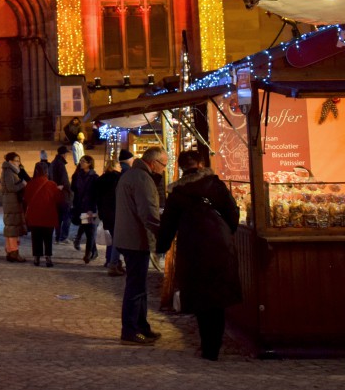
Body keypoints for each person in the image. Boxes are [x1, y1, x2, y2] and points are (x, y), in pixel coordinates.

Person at [157, 149, 241, 360]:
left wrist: (161, 246)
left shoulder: (177, 193)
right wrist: (226, 233)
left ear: (181, 168)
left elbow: (168, 224)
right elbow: (233, 212)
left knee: (201, 299)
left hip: (193, 249)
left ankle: (207, 347)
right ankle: (215, 346)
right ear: (202, 165)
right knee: (218, 299)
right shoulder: (216, 185)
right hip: (220, 247)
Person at [115, 146, 164, 345]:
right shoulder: (142, 179)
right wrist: (163, 232)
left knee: (139, 286)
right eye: (163, 165)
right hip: (135, 239)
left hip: (129, 237)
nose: (164, 169)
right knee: (135, 287)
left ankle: (141, 326)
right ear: (153, 163)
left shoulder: (131, 175)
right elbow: (148, 213)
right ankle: (130, 330)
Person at [23, 163, 64, 267]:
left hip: (34, 215)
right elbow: (58, 200)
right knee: (48, 237)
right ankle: (48, 257)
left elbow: (26, 199)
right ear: (47, 171)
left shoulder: (30, 184)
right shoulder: (52, 184)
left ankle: (36, 257)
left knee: (36, 237)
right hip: (48, 215)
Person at [95, 155, 124, 275]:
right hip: (116, 213)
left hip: (106, 213)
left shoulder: (101, 179)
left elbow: (97, 198)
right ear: (114, 166)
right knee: (117, 240)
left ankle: (112, 261)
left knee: (114, 238)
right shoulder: (118, 178)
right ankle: (113, 263)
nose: (120, 168)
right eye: (118, 166)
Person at [0, 151, 27, 262]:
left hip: (13, 202)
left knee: (12, 227)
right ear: (10, 161)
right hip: (11, 202)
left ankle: (11, 251)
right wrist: (23, 184)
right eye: (16, 160)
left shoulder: (12, 171)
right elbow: (11, 187)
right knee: (12, 228)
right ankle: (13, 252)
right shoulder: (8, 171)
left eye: (19, 160)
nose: (18, 163)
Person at [71, 155, 99, 262]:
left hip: (90, 208)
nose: (81, 163)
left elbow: (96, 193)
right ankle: (94, 251)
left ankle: (88, 253)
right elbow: (74, 189)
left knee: (90, 231)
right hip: (80, 207)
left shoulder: (94, 177)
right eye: (81, 161)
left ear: (89, 163)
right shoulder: (77, 176)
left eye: (84, 161)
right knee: (87, 231)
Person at [49, 146, 73, 243]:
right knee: (67, 217)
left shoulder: (53, 163)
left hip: (56, 195)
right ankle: (63, 237)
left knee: (58, 217)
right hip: (63, 195)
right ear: (64, 154)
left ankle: (57, 237)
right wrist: (68, 189)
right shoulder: (60, 164)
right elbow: (64, 181)